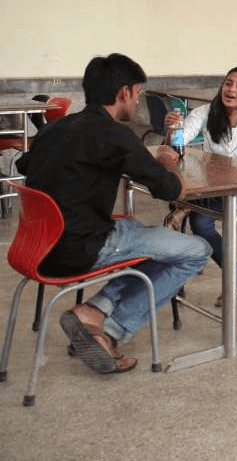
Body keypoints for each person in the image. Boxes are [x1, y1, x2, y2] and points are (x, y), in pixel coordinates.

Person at [15, 53, 212, 374]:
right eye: (138, 93)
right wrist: (167, 163)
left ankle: (97, 308)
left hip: (36, 247)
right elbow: (169, 190)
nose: (137, 101)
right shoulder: (115, 135)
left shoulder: (55, 128)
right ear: (124, 92)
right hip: (81, 247)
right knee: (196, 250)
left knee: (146, 235)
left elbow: (25, 164)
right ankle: (111, 329)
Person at [163, 67, 237, 307]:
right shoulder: (205, 113)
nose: (231, 89)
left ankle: (188, 205)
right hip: (213, 189)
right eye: (228, 83)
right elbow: (178, 144)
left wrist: (230, 178)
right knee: (199, 223)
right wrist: (174, 129)